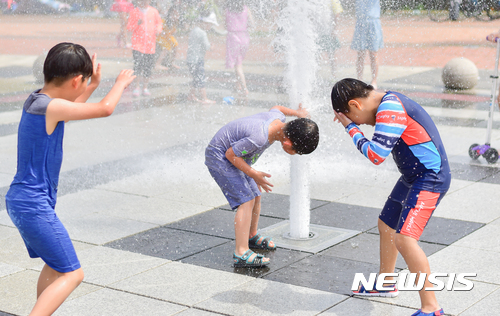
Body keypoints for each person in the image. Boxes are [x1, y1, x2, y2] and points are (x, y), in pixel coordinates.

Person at [4, 42, 135, 315]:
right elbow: (105, 109)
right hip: (33, 205)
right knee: (73, 274)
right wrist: (120, 83)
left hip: (24, 201)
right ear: (77, 80)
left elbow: (72, 106)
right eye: (84, 82)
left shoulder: (38, 100)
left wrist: (93, 84)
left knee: (55, 264)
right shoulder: (51, 108)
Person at [331, 79, 450, 316]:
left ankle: (432, 308)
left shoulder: (390, 108)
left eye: (353, 117)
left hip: (430, 178)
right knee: (386, 225)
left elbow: (376, 155)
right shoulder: (384, 101)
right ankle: (386, 283)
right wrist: (351, 122)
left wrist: (349, 128)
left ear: (355, 104)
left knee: (405, 239)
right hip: (413, 177)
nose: (360, 123)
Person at [205, 104, 319, 267]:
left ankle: (251, 236)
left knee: (255, 195)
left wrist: (298, 113)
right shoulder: (258, 138)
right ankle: (241, 252)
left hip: (235, 158)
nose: (296, 154)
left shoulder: (278, 120)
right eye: (297, 151)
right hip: (220, 158)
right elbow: (230, 154)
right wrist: (253, 173)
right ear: (287, 143)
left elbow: (277, 107)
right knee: (246, 200)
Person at [127, 0, 162, 97]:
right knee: (138, 65)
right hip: (137, 45)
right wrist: (137, 24)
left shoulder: (154, 11)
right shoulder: (134, 12)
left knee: (148, 67)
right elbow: (129, 27)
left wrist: (158, 30)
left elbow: (159, 23)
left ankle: (145, 87)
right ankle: (136, 87)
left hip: (150, 45)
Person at [186, 11, 218, 104]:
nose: (210, 27)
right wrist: (212, 47)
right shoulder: (202, 33)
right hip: (197, 60)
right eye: (210, 25)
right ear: (205, 23)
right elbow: (208, 47)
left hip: (190, 60)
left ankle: (191, 95)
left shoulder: (194, 30)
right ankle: (204, 98)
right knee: (201, 78)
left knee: (196, 78)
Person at [351, 0, 383, 89]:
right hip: (360, 22)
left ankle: (374, 80)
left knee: (373, 54)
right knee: (360, 54)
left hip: (373, 22)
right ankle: (359, 80)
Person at [224, 0, 254, 96]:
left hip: (233, 38)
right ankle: (238, 85)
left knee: (238, 66)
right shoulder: (246, 9)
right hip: (244, 37)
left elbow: (225, 25)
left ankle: (244, 89)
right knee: (239, 61)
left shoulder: (227, 10)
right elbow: (252, 24)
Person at [316, 0, 343, 78]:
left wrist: (335, 29)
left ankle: (334, 75)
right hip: (317, 32)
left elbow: (337, 13)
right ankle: (316, 75)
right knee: (316, 55)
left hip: (329, 31)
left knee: (331, 55)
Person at [155, 4, 181, 71]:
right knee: (167, 47)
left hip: (167, 36)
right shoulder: (164, 21)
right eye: (173, 14)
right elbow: (158, 30)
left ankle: (172, 62)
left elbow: (172, 32)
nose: (175, 17)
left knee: (175, 44)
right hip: (160, 36)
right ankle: (157, 64)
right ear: (169, 14)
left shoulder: (176, 22)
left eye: (177, 15)